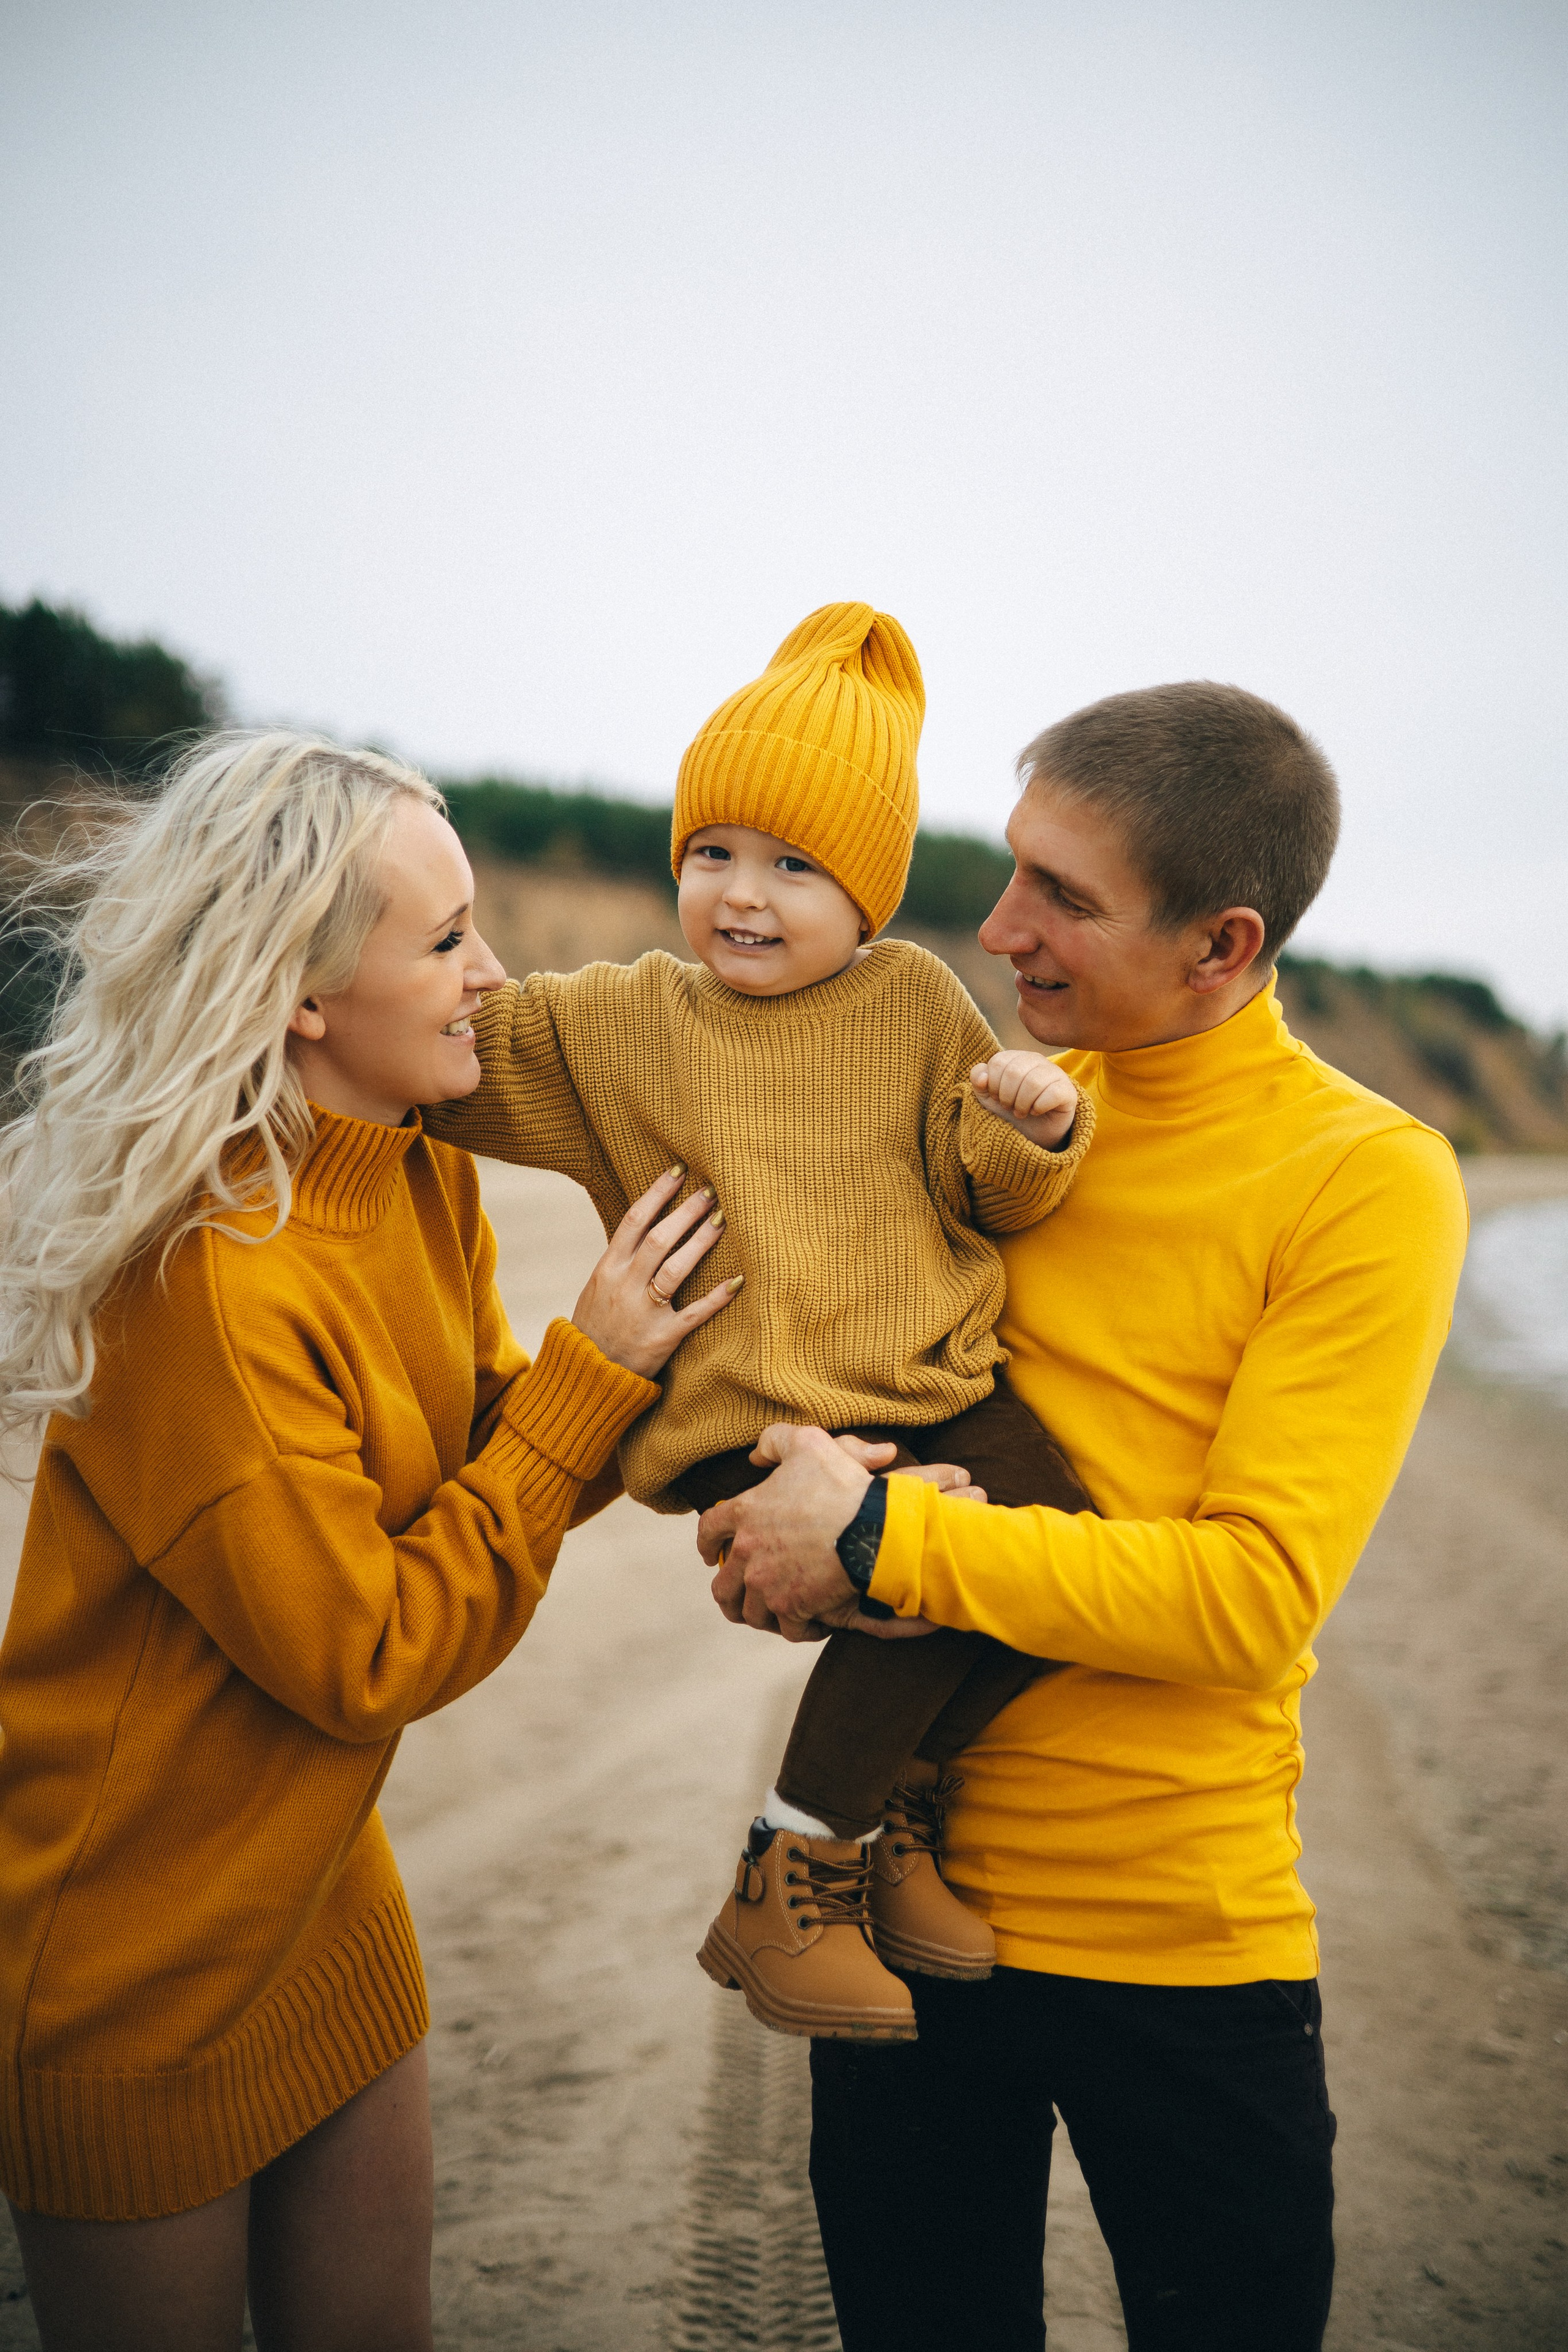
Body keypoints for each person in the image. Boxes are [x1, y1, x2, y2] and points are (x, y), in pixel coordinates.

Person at [698, 682, 1470, 2352]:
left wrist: (879, 1543)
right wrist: (773, 1532)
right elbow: (866, 1423)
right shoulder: (1001, 1125)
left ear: (1224, 941)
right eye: (1014, 866)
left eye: (1067, 895)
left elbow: (1250, 1597)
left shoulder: (1367, 1176)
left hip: (1180, 1947)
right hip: (903, 1925)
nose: (1001, 926)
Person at [0, 732, 736, 2352]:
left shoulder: (414, 1175)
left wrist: (700, 1393)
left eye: (481, 924)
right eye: (447, 938)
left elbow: (493, 1456)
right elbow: (369, 1649)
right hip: (137, 1964)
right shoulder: (201, 1281)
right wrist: (593, 1375)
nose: (494, 974)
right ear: (304, 995)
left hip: (324, 1894)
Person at [426, 601, 1099, 2041]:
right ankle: (790, 1866)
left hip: (928, 1379)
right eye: (712, 853)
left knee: (1060, 1564)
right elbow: (456, 1063)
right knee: (910, 1570)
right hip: (756, 1406)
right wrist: (369, 983)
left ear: (867, 898)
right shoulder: (628, 1021)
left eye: (796, 866)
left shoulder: (917, 1001)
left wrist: (1030, 1124)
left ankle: (888, 1819)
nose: (744, 892)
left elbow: (986, 1189)